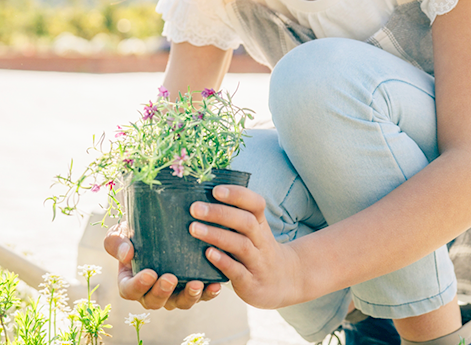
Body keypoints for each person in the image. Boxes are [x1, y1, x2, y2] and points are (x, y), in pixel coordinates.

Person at [104, 0, 471, 344]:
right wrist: (146, 228)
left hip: (454, 195)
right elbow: (174, 135)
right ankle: (369, 320)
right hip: (376, 225)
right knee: (231, 171)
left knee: (317, 77)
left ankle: (434, 336)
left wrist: (297, 269)